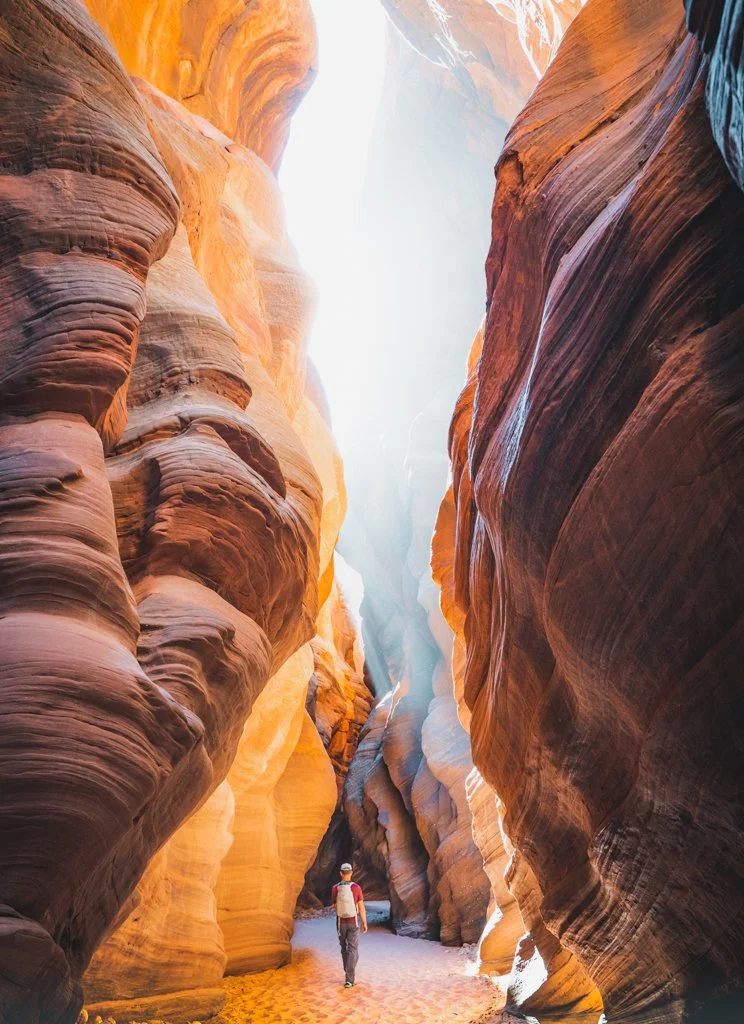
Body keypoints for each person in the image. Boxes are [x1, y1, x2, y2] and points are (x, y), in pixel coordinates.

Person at [332, 862, 367, 987]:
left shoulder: (335, 888)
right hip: (354, 922)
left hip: (341, 922)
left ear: (341, 873)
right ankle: (349, 979)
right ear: (351, 872)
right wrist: (364, 922)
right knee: (353, 949)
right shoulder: (356, 888)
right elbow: (361, 907)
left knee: (344, 948)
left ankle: (347, 971)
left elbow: (335, 906)